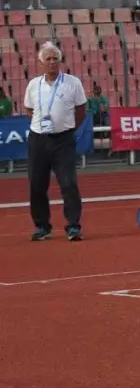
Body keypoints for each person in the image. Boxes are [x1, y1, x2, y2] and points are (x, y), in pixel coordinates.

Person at [22, 43, 87, 241]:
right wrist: (42, 127)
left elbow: (81, 109)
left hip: (63, 140)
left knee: (68, 183)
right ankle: (42, 226)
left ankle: (73, 225)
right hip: (38, 140)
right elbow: (29, 110)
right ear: (40, 63)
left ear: (60, 61)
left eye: (55, 58)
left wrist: (67, 128)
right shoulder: (33, 84)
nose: (52, 62)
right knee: (37, 185)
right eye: (48, 59)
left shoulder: (72, 82)